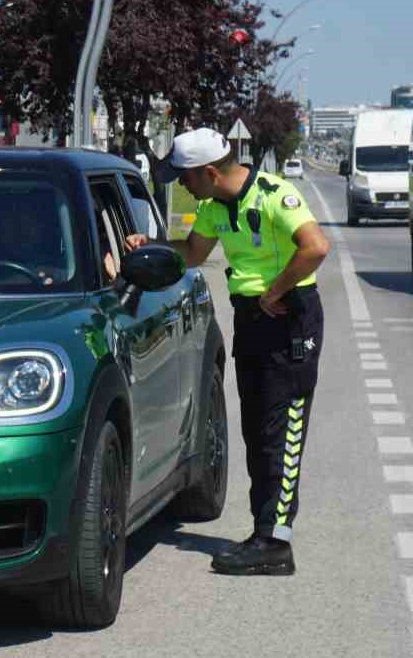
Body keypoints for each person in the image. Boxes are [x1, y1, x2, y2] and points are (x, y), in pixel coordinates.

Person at [129, 128, 330, 576]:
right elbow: (194, 254)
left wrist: (276, 291)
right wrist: (151, 246)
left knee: (284, 430)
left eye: (184, 177)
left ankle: (276, 544)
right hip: (253, 317)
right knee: (256, 430)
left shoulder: (275, 195)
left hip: (289, 317)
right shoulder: (212, 207)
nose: (180, 185)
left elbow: (315, 247)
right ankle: (264, 533)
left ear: (209, 171)